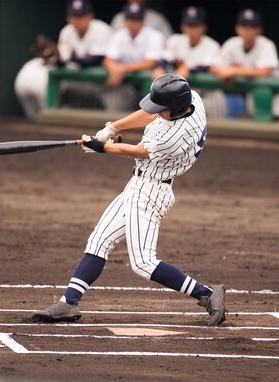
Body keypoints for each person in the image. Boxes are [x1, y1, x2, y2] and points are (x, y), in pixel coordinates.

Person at [32, 73, 227, 326]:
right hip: (139, 184)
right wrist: (113, 129)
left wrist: (102, 147)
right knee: (99, 241)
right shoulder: (192, 100)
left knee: (143, 263)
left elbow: (138, 151)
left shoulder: (175, 136)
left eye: (162, 108)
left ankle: (208, 294)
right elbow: (150, 113)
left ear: (176, 108)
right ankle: (68, 303)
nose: (157, 111)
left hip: (150, 192)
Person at [14, 0, 112, 120]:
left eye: (81, 16)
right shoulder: (67, 31)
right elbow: (62, 61)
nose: (77, 20)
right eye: (74, 16)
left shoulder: (101, 30)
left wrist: (72, 57)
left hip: (106, 85)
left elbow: (95, 59)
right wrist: (55, 57)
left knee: (115, 114)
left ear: (90, 15)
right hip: (78, 81)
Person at [210, 9, 279, 119]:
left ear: (259, 29)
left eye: (252, 27)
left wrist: (233, 71)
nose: (247, 30)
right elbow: (213, 67)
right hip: (254, 93)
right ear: (237, 28)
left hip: (277, 95)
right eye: (244, 26)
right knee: (256, 129)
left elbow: (264, 72)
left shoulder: (267, 45)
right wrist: (223, 75)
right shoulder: (232, 44)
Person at [154, 6, 226, 118]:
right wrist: (160, 68)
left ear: (203, 27)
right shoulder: (175, 40)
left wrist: (188, 69)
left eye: (196, 26)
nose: (192, 29)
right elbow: (163, 60)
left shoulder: (212, 45)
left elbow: (209, 67)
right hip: (181, 94)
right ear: (183, 26)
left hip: (206, 92)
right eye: (189, 25)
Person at [102, 3, 164, 111]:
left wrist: (123, 68)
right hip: (126, 84)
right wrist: (114, 69)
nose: (132, 23)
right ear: (125, 21)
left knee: (150, 114)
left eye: (136, 20)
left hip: (149, 86)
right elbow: (108, 60)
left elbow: (150, 62)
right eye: (130, 19)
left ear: (143, 21)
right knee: (116, 106)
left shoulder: (154, 35)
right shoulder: (119, 35)